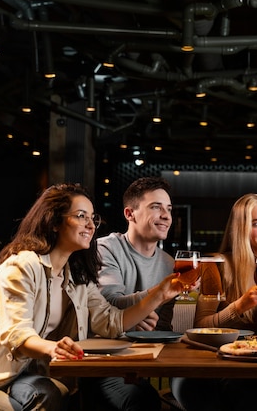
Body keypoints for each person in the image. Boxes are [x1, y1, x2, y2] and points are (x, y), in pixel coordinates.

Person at [0, 183, 183, 410]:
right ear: (54, 222)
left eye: (93, 218)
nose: (91, 225)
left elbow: (110, 321)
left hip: (20, 372)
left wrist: (161, 293)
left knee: (56, 394)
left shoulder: (75, 275)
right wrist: (52, 348)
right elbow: (16, 333)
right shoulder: (23, 265)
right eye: (81, 216)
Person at [171, 193, 257, 411]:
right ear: (241, 229)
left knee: (251, 394)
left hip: (246, 366)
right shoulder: (218, 264)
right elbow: (199, 328)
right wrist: (239, 306)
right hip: (204, 364)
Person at [84, 176, 177, 410]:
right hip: (104, 362)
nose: (166, 216)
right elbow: (110, 304)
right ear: (129, 214)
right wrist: (157, 295)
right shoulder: (106, 248)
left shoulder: (168, 262)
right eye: (156, 207)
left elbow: (162, 326)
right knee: (142, 401)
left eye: (168, 209)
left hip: (143, 361)